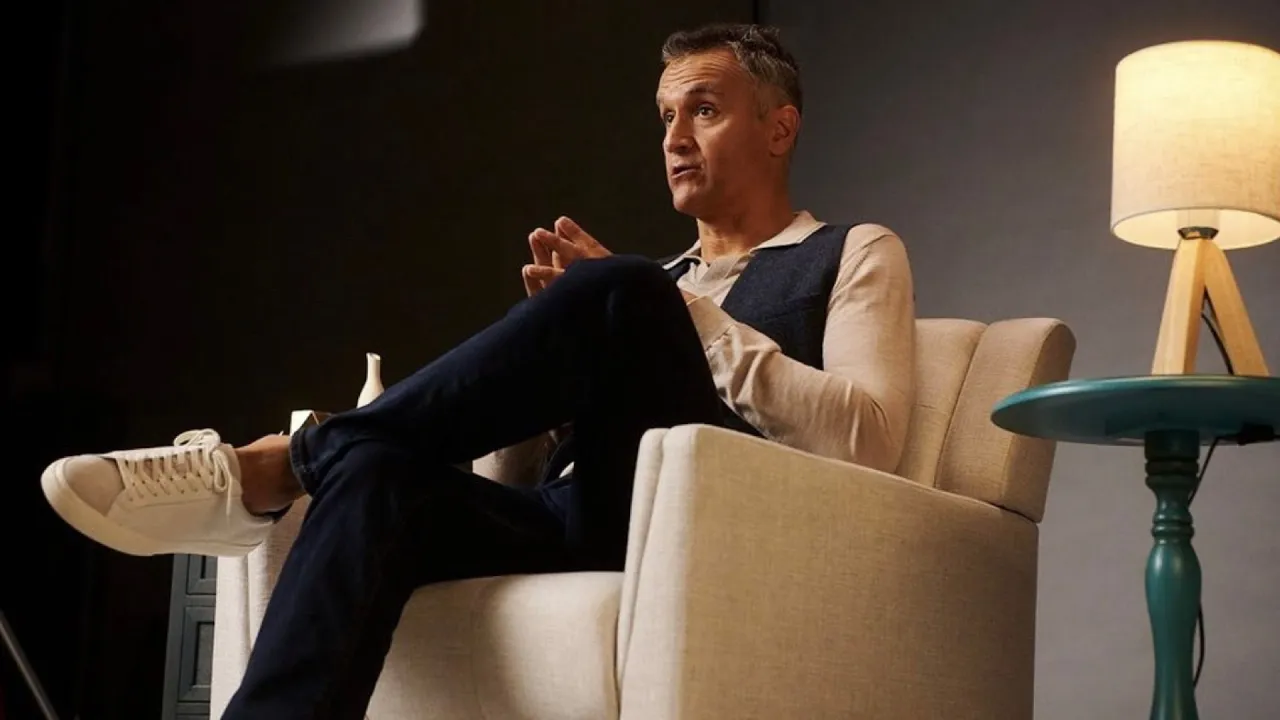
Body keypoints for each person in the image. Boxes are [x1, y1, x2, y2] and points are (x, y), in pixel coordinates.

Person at [40, 22, 916, 719]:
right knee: (377, 472)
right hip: (579, 512)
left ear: (779, 126)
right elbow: (511, 481)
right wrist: (553, 378)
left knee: (624, 288)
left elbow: (869, 440)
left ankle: (284, 464)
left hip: (714, 520)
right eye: (664, 118)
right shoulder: (654, 282)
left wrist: (676, 312)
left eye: (705, 110)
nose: (675, 138)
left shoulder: (850, 251)